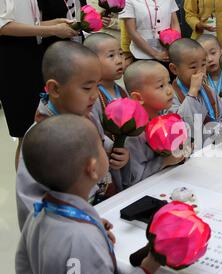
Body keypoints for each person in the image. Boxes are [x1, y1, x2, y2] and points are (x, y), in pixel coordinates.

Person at [16, 115, 160, 274]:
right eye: (100, 145)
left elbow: (24, 268)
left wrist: (93, 225)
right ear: (92, 169)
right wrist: (147, 270)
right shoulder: (81, 240)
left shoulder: (37, 213)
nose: (105, 146)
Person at [16, 41, 128, 230]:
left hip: (101, 211)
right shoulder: (41, 138)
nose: (94, 95)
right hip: (69, 228)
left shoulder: (88, 116)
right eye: (86, 88)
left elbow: (98, 145)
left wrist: (116, 153)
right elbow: (31, 203)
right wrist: (78, 222)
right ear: (55, 89)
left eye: (97, 86)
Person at [0, 0, 78, 169]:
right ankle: (24, 188)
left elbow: (31, 25)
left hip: (34, 56)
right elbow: (3, 26)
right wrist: (51, 29)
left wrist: (55, 23)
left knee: (40, 125)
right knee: (26, 132)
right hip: (12, 61)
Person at [121, 60, 186, 188]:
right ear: (138, 98)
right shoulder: (134, 133)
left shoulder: (166, 116)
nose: (169, 91)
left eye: (168, 83)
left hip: (173, 181)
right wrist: (165, 161)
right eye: (161, 86)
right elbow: (132, 180)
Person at [168, 38, 222, 146]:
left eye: (203, 65)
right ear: (174, 69)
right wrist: (192, 92)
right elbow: (181, 125)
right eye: (193, 67)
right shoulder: (170, 96)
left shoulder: (208, 90)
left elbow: (221, 116)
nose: (200, 71)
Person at [83, 33, 128, 120]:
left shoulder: (122, 90)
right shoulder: (92, 98)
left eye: (121, 54)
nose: (119, 61)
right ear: (92, 61)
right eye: (111, 55)